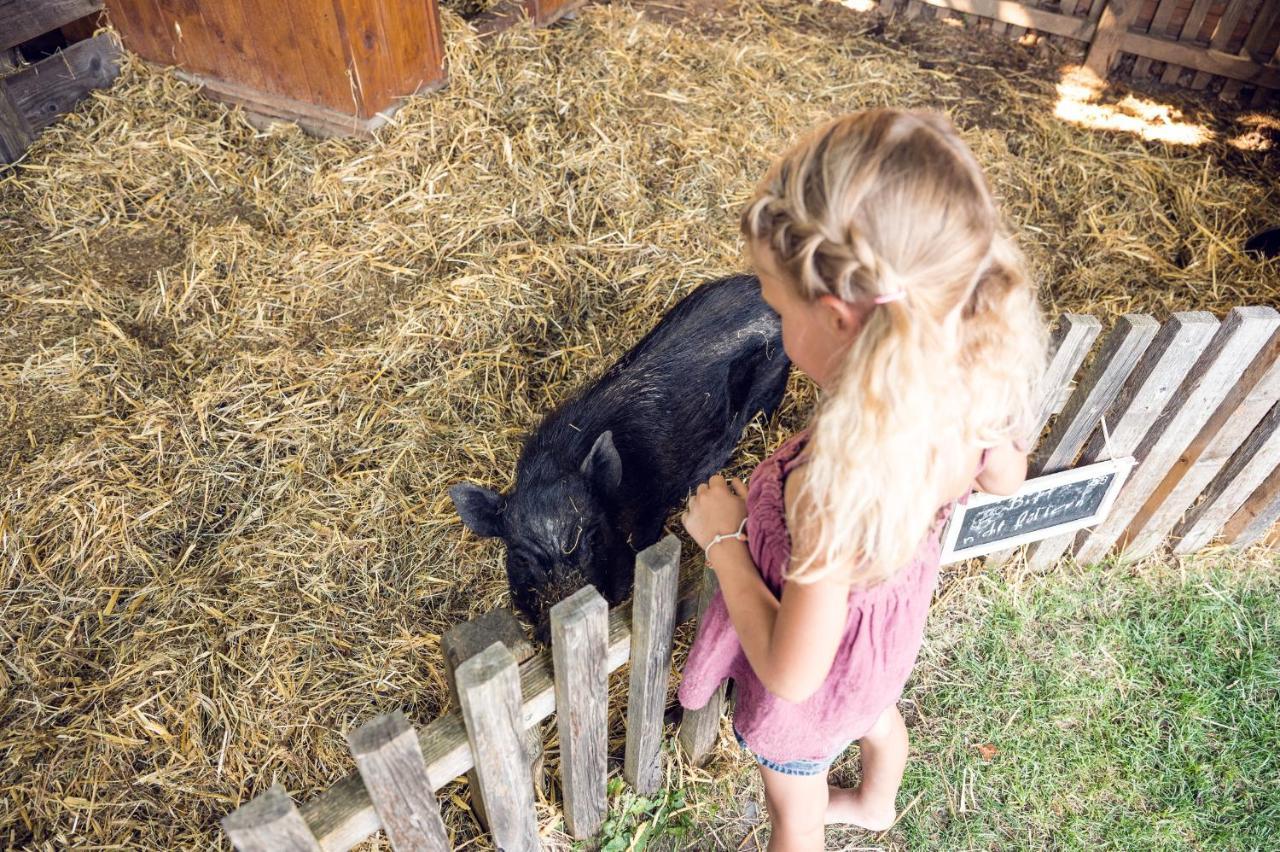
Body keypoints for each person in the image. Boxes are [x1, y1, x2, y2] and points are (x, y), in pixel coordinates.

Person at [678, 109, 1048, 851]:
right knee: (879, 721)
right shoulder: (970, 388)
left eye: (776, 305)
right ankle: (877, 807)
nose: (774, 321)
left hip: (811, 699)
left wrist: (723, 543)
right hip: (879, 655)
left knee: (796, 807)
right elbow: (1008, 478)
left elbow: (789, 674)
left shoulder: (835, 492)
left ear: (839, 318)